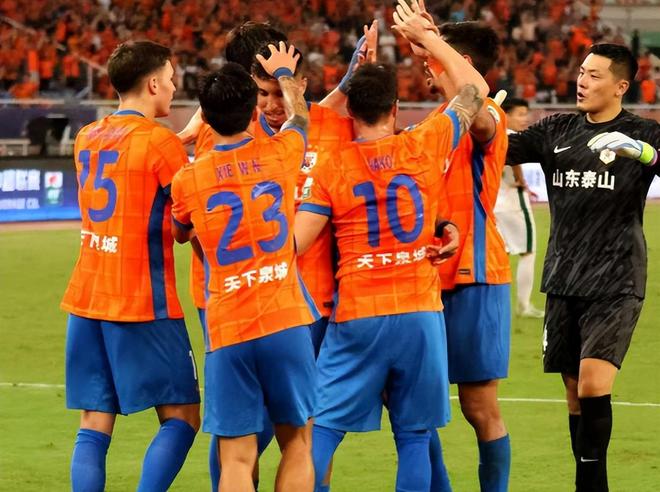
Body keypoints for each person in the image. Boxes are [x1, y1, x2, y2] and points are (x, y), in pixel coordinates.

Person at [295, 2, 490, 490]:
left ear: (351, 111)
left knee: (323, 428)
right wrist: (428, 40)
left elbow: (297, 241)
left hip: (358, 312)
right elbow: (476, 90)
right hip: (419, 314)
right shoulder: (424, 143)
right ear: (396, 108)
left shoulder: (332, 167)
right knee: (414, 436)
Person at [506, 43, 659, 492]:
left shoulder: (643, 133)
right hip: (563, 277)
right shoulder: (557, 129)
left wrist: (644, 155)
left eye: (594, 75)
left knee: (593, 384)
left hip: (616, 278)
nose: (582, 81)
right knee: (575, 394)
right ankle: (589, 483)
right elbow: (499, 148)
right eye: (581, 72)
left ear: (621, 86)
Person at [171, 43, 319, 492]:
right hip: (285, 318)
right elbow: (301, 119)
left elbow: (181, 233)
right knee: (298, 443)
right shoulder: (281, 153)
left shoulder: (188, 179)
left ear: (204, 117)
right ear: (254, 108)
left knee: (235, 456)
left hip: (228, 325)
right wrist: (285, 75)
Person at [60, 40, 200, 492]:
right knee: (182, 416)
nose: (174, 86)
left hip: (87, 298)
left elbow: (133, 162)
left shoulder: (87, 136)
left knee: (94, 422)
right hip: (142, 301)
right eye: (171, 78)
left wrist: (178, 141)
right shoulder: (160, 143)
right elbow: (186, 225)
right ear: (154, 83)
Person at [415, 19, 513, 492]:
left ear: (461, 63)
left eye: (432, 58)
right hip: (426, 277)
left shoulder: (487, 113)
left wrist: (432, 41)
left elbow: (476, 107)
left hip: (475, 276)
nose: (423, 65)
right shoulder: (436, 121)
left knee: (478, 406)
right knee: (415, 402)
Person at [494, 97, 544, 318]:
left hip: (494, 202)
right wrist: (521, 181)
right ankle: (523, 305)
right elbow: (513, 161)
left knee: (499, 254)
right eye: (520, 114)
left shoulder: (491, 133)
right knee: (528, 251)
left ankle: (497, 304)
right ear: (505, 114)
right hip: (513, 202)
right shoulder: (510, 136)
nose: (525, 119)